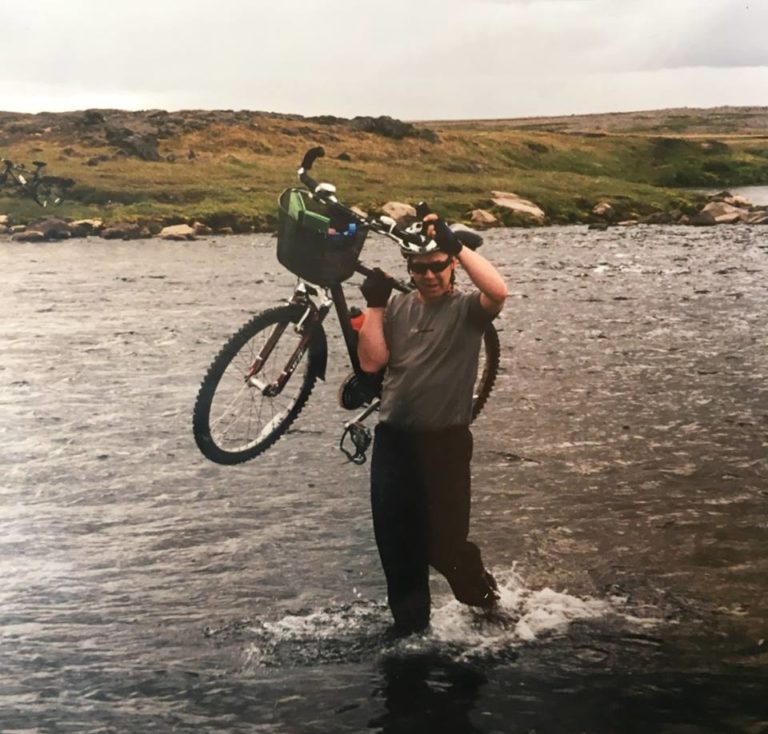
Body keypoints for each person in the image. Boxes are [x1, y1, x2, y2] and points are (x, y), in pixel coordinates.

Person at [357, 212, 508, 634]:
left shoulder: (467, 310)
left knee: (446, 549)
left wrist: (456, 245)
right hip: (394, 445)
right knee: (398, 551)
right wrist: (373, 305)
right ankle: (411, 638)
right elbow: (372, 362)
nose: (428, 276)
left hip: (445, 446)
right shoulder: (399, 307)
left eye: (438, 266)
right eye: (419, 268)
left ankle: (487, 602)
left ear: (452, 266)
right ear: (410, 268)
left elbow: (498, 291)